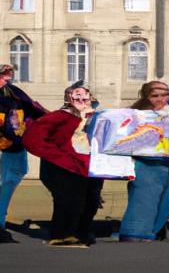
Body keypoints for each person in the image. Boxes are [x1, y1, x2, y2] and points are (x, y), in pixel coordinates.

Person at [22, 81, 103, 248]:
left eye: (86, 97)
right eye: (77, 97)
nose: (82, 101)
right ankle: (63, 235)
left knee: (91, 201)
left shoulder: (96, 118)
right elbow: (32, 138)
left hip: (90, 167)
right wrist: (58, 156)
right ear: (68, 98)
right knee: (70, 201)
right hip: (64, 167)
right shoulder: (58, 116)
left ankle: (80, 233)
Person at [118, 81, 169, 242]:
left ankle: (152, 231)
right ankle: (134, 233)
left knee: (166, 197)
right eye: (155, 95)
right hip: (147, 160)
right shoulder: (136, 113)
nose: (161, 98)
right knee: (144, 196)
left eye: (165, 94)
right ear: (146, 96)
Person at [0, 63, 47, 243]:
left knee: (11, 178)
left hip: (12, 146)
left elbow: (33, 110)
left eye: (7, 75)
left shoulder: (13, 93)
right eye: (3, 75)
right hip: (11, 145)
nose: (6, 78)